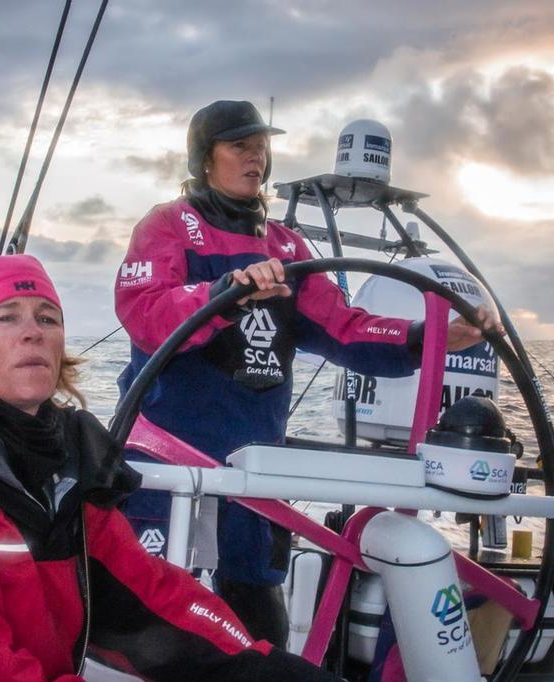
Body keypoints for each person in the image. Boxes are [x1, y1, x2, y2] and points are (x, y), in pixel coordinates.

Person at [0, 254, 343, 681]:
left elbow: (142, 594)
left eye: (47, 318)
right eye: (5, 318)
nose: (33, 332)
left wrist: (254, 665)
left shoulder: (65, 463)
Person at [114, 100, 501, 647]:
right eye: (239, 147)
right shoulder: (168, 226)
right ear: (205, 158)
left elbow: (345, 328)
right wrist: (225, 293)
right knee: (153, 616)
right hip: (169, 463)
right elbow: (145, 313)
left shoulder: (288, 247)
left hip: (254, 468)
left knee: (257, 611)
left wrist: (427, 336)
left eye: (261, 148)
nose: (256, 159)